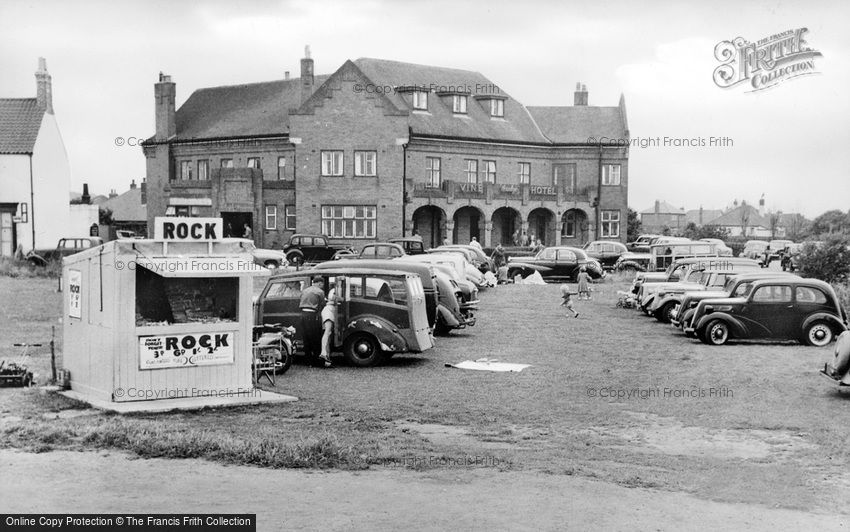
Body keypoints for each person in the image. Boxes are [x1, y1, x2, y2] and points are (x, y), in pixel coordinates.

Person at [298, 277, 326, 364]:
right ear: (320, 283)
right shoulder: (320, 292)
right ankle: (316, 359)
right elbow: (323, 304)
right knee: (314, 337)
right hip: (312, 315)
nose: (322, 286)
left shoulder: (305, 290)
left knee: (306, 337)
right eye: (322, 284)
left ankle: (308, 359)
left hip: (303, 314)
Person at [319, 288, 338, 367]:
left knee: (328, 335)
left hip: (329, 310)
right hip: (329, 311)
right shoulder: (334, 292)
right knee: (327, 332)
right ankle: (323, 353)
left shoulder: (333, 292)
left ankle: (327, 359)